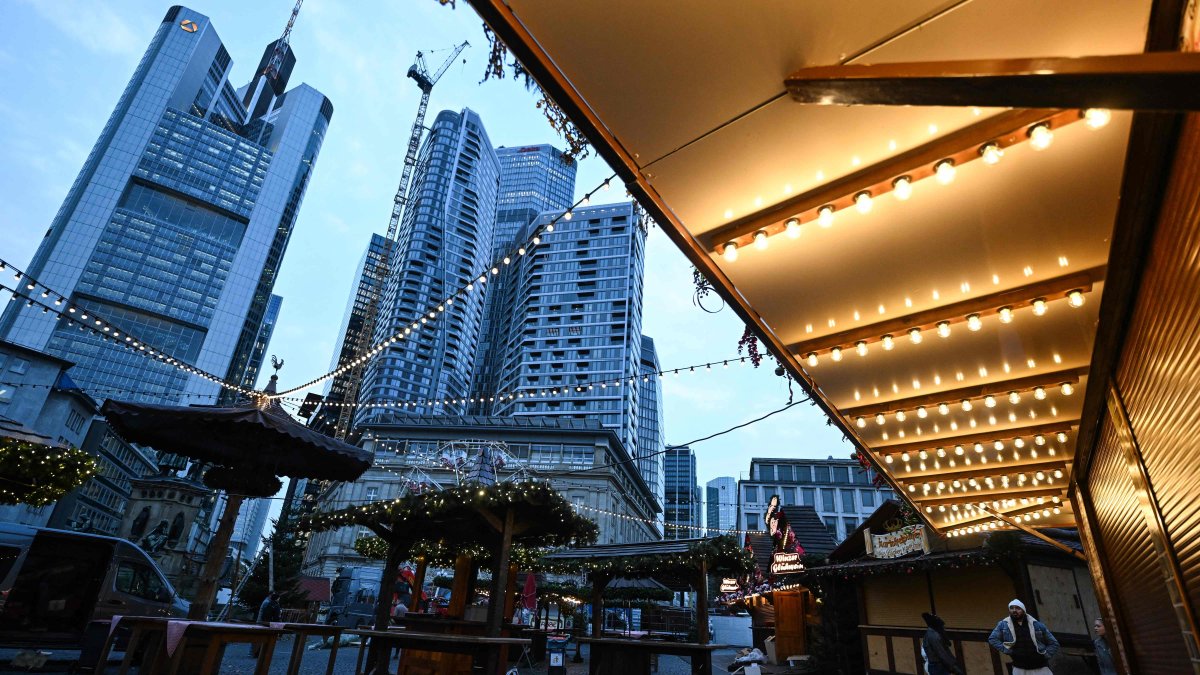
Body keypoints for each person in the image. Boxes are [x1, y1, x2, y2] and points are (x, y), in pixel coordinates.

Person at [987, 599, 1059, 675]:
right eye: (1011, 608)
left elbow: (1054, 643)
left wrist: (1045, 655)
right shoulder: (1003, 625)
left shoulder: (1037, 625)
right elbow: (993, 639)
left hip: (1040, 667)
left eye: (1017, 608)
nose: (1014, 610)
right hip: (1019, 667)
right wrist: (1009, 651)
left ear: (1023, 610)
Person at [251, 592, 282, 657]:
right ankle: (258, 652)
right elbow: (276, 616)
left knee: (262, 638)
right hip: (267, 623)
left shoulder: (269, 602)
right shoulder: (273, 604)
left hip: (264, 622)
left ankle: (257, 652)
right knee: (264, 638)